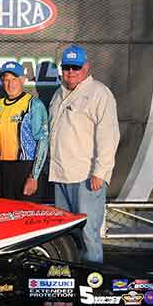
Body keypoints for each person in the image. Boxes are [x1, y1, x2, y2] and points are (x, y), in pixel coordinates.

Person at [48, 44, 120, 263]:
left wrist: (101, 171)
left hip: (86, 178)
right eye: (67, 67)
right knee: (65, 236)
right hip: (60, 176)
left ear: (86, 67)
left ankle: (93, 280)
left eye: (76, 67)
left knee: (89, 234)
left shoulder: (99, 93)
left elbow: (109, 135)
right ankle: (70, 279)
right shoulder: (58, 94)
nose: (71, 72)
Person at [0, 61, 48, 200]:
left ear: (22, 80)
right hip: (4, 169)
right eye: (6, 80)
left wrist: (34, 176)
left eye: (14, 79)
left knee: (28, 217)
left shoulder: (33, 105)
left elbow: (43, 141)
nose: (10, 84)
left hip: (26, 169)